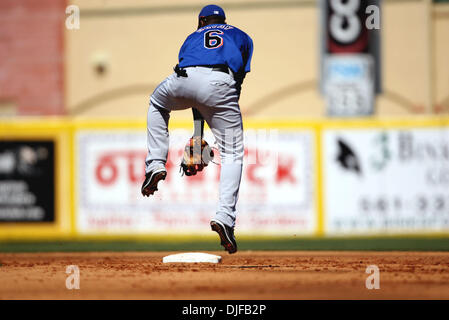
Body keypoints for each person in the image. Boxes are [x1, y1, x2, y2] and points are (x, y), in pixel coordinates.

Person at [141, 4, 253, 254]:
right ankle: (224, 218)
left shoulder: (192, 37)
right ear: (224, 20)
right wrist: (205, 130)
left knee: (157, 103)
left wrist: (198, 133)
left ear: (201, 22)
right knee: (232, 153)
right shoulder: (242, 36)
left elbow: (195, 91)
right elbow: (234, 83)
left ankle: (155, 164)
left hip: (182, 79)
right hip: (221, 81)